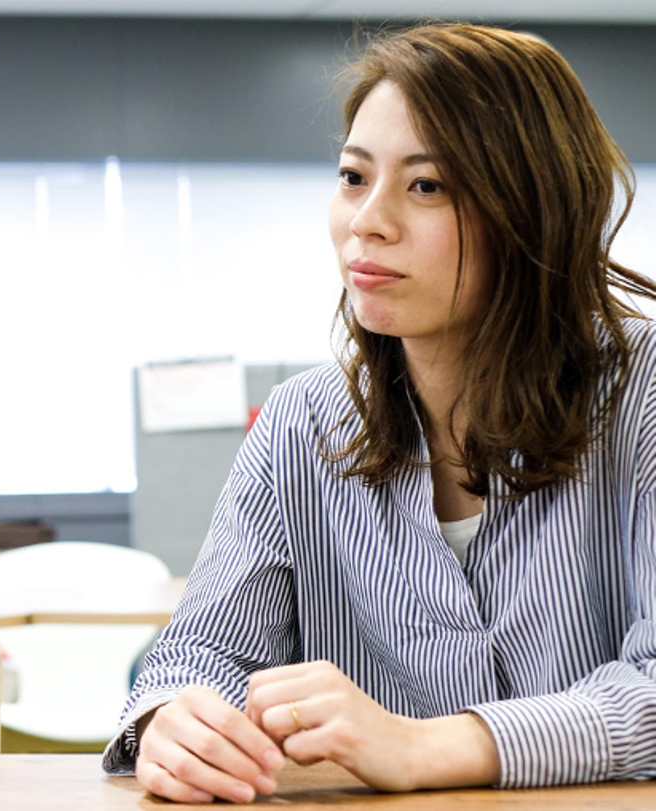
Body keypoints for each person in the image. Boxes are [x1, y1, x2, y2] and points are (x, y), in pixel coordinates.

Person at [109, 23, 656, 803]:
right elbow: (198, 654)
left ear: (534, 208)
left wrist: (432, 744)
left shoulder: (642, 391)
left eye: (426, 186)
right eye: (353, 176)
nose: (367, 219)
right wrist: (175, 719)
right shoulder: (302, 423)